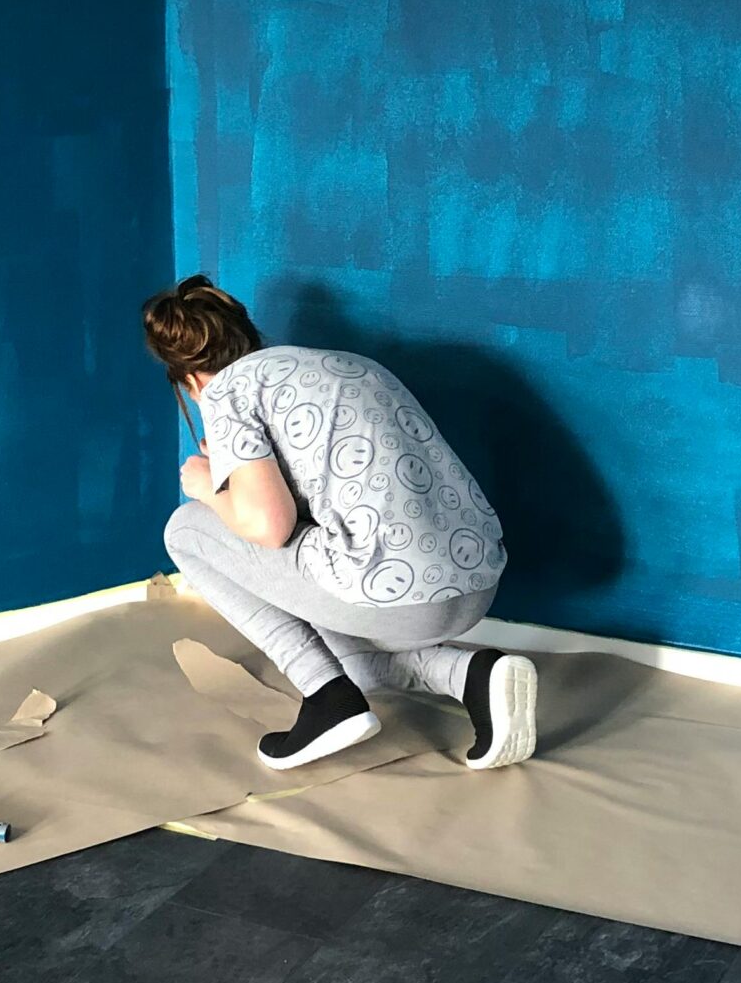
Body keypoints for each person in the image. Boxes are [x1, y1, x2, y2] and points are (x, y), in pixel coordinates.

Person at [143, 275, 539, 771]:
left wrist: (208, 486)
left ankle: (326, 697)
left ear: (191, 381)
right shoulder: (345, 364)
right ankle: (471, 673)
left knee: (185, 529)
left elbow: (268, 527)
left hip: (399, 599)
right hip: (476, 585)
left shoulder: (226, 389)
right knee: (349, 657)